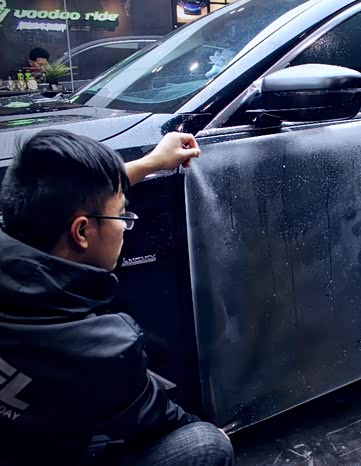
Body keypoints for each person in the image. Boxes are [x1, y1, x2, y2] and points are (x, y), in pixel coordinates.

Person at [0, 130, 234, 465]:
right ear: (81, 232)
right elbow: (161, 422)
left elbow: (66, 200)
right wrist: (215, 431)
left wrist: (151, 163)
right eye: (122, 215)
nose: (124, 225)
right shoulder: (102, 348)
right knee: (206, 443)